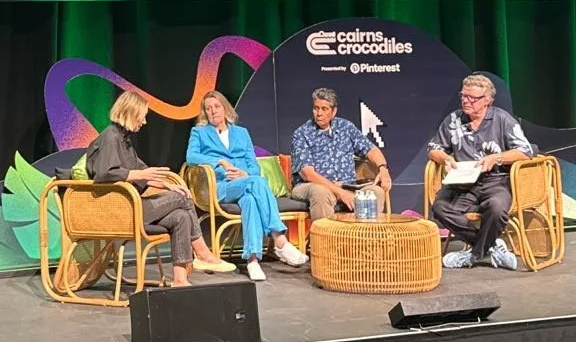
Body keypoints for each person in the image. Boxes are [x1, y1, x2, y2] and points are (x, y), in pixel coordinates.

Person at [85, 90, 237, 286]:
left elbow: (141, 169)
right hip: (120, 211)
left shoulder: (124, 140)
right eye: (143, 116)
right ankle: (202, 252)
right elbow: (104, 173)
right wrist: (142, 175)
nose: (144, 121)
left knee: (181, 216)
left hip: (132, 206)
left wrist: (165, 182)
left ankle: (180, 279)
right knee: (184, 198)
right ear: (131, 112)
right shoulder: (111, 138)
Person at [185, 91, 309, 281]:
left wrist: (246, 174)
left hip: (244, 183)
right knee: (257, 182)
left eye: (216, 107)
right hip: (220, 187)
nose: (213, 112)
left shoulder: (241, 133)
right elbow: (191, 157)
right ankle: (280, 239)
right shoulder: (199, 132)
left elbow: (254, 166)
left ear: (225, 108)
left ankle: (252, 260)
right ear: (205, 112)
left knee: (251, 199)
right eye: (208, 108)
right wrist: (218, 161)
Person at [428, 74, 535, 271]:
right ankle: (492, 246)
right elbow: (434, 148)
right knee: (440, 208)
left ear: (487, 101)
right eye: (463, 96)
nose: (466, 101)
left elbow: (525, 151)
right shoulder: (453, 120)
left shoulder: (502, 119)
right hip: (462, 185)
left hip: (495, 181)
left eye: (472, 98)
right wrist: (445, 159)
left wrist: (497, 158)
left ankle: (473, 255)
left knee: (496, 208)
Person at [289, 87, 391, 221]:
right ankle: (326, 241)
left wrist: (383, 168)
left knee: (375, 192)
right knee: (320, 192)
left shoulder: (346, 127)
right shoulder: (301, 134)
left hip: (347, 185)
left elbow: (371, 149)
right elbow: (308, 174)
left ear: (333, 111)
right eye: (316, 108)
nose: (319, 113)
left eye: (324, 109)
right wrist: (340, 192)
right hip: (312, 186)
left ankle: (364, 239)